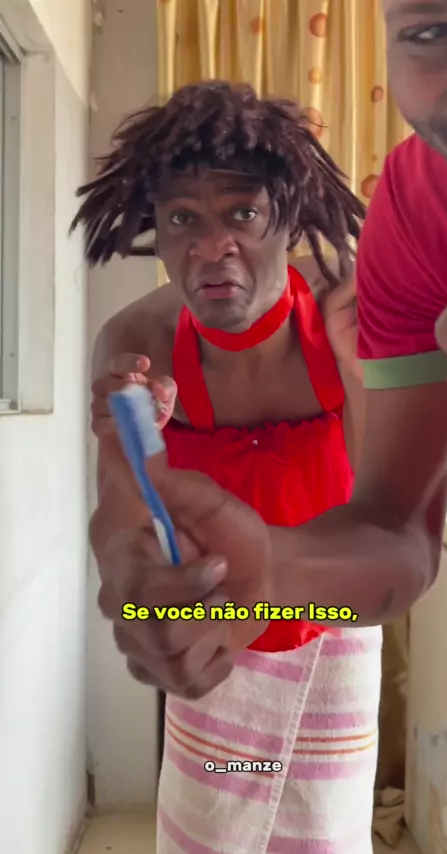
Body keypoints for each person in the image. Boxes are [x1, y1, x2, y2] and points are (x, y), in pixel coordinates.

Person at [78, 81, 380, 853]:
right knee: (205, 831)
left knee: (325, 831)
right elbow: (118, 525)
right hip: (210, 628)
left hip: (333, 628)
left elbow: (389, 508)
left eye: (242, 213)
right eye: (183, 219)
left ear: (290, 218)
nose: (211, 248)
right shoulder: (137, 341)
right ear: (156, 230)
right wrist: (140, 581)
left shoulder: (351, 313)